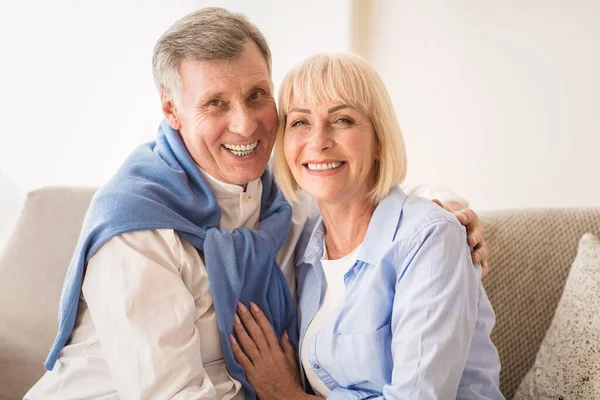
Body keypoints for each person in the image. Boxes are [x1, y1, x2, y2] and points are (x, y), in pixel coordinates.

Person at [25, 8, 490, 400]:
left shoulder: (284, 200)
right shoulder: (136, 231)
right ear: (171, 111)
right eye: (215, 104)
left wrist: (441, 208)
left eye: (256, 96)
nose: (245, 126)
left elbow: (363, 191)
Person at [230, 53, 503, 399]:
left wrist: (285, 393)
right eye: (300, 122)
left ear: (378, 140)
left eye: (342, 119)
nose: (318, 141)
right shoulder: (305, 244)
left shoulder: (431, 238)